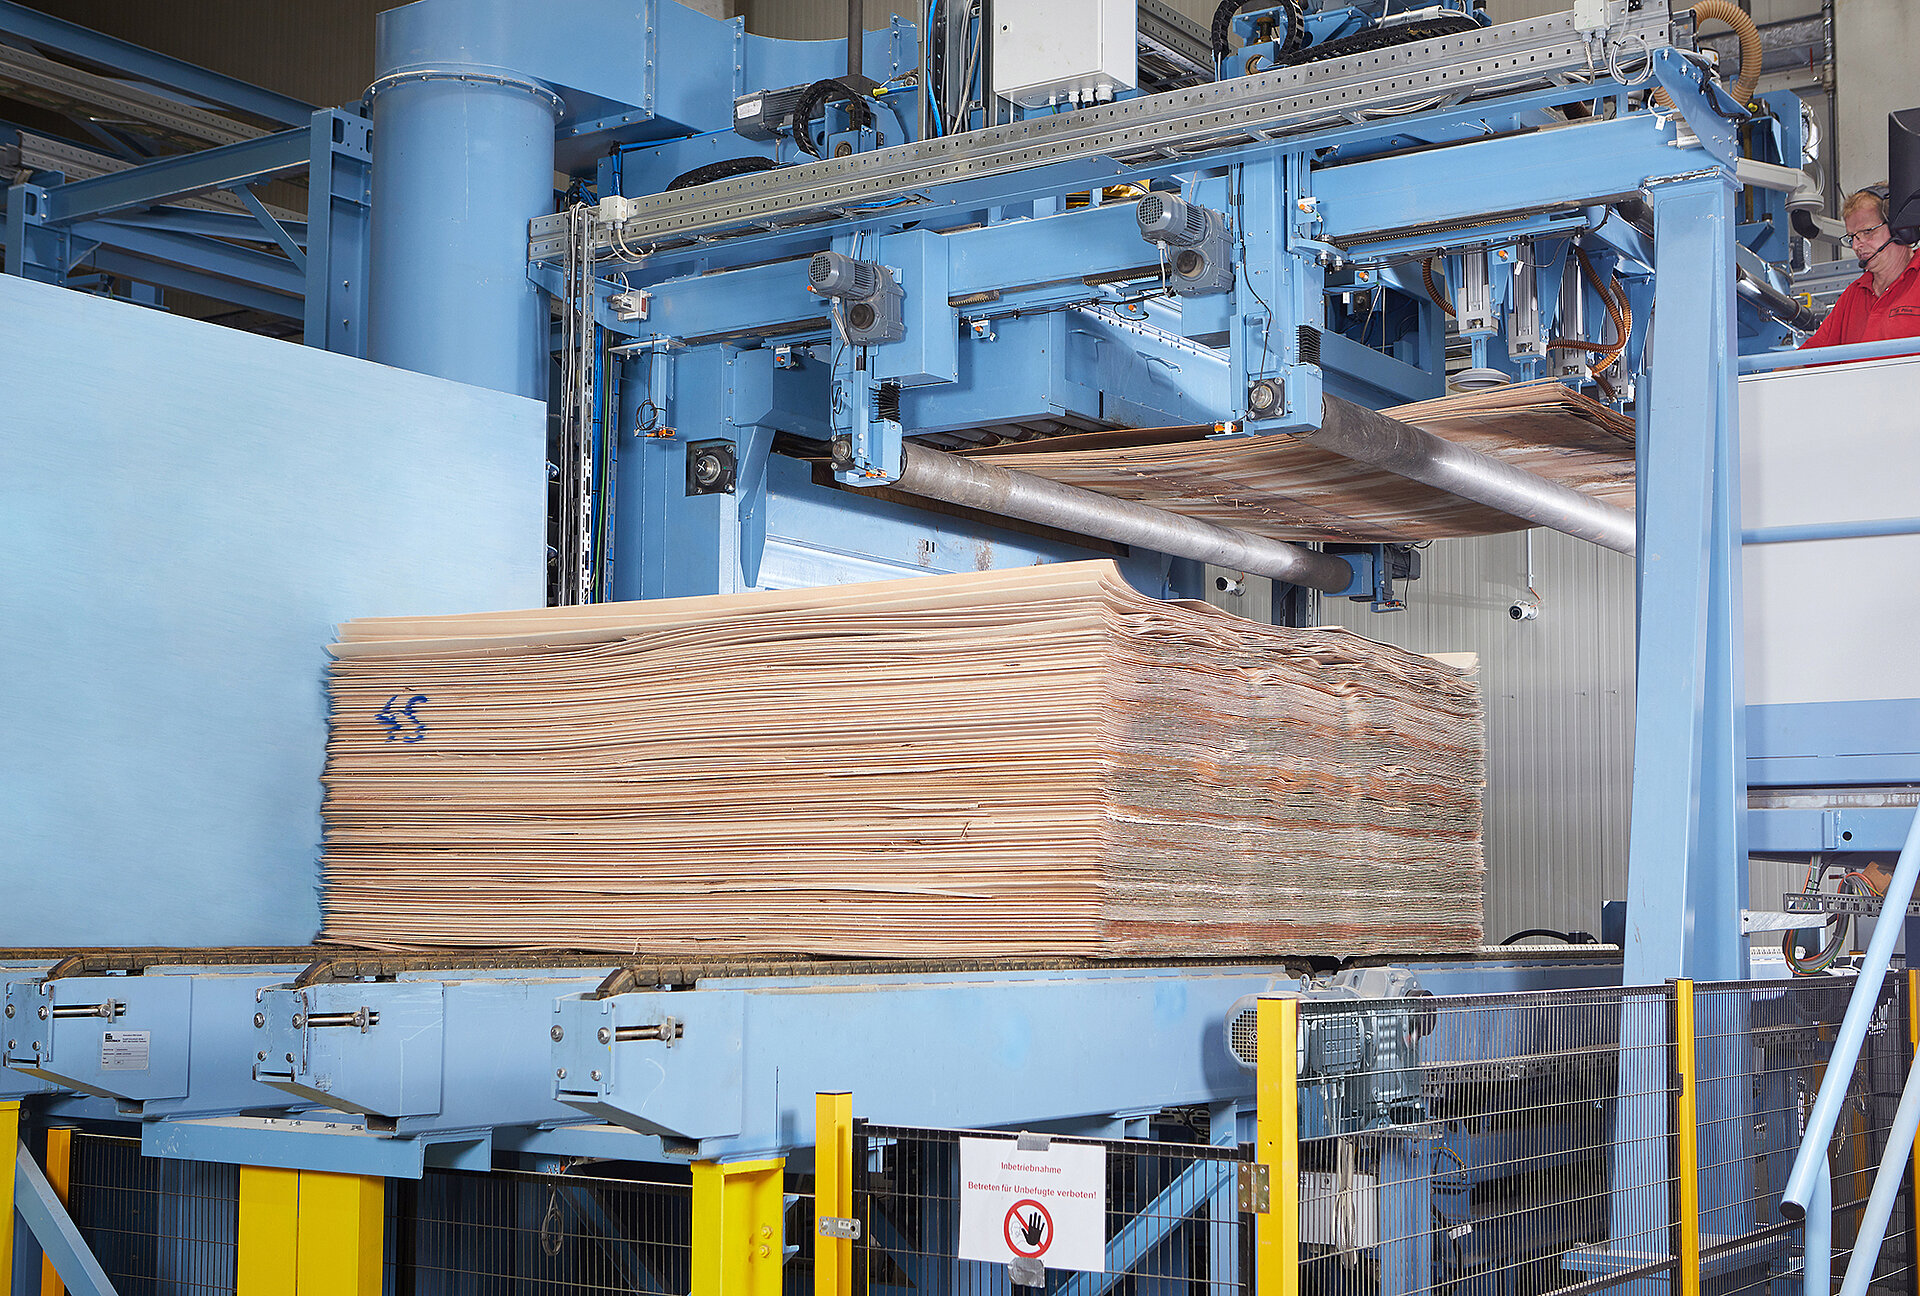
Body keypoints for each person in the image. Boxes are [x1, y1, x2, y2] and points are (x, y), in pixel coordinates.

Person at [1801, 185, 1920, 350]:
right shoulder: (1852, 295)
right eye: (1852, 238)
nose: (1856, 246)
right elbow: (1810, 356)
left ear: (1900, 228)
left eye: (1867, 232)